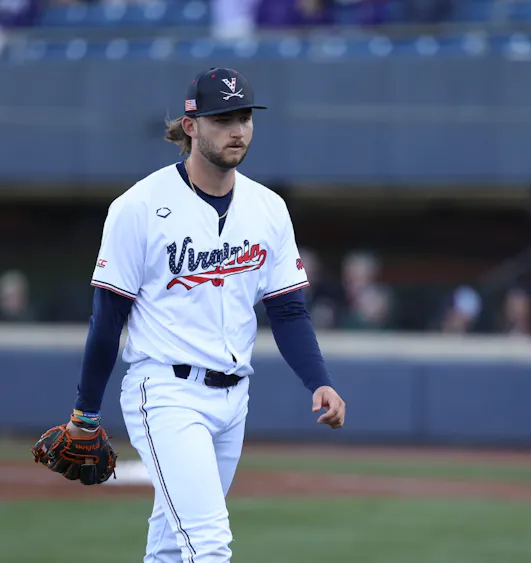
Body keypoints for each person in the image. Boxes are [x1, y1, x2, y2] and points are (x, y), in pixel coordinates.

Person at [36, 67, 346, 563]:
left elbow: (287, 310)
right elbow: (107, 320)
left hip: (233, 400)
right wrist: (84, 413)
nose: (237, 129)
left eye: (244, 117)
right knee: (209, 546)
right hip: (165, 393)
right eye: (223, 118)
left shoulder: (268, 208)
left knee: (169, 551)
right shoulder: (138, 206)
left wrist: (319, 381)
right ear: (191, 126)